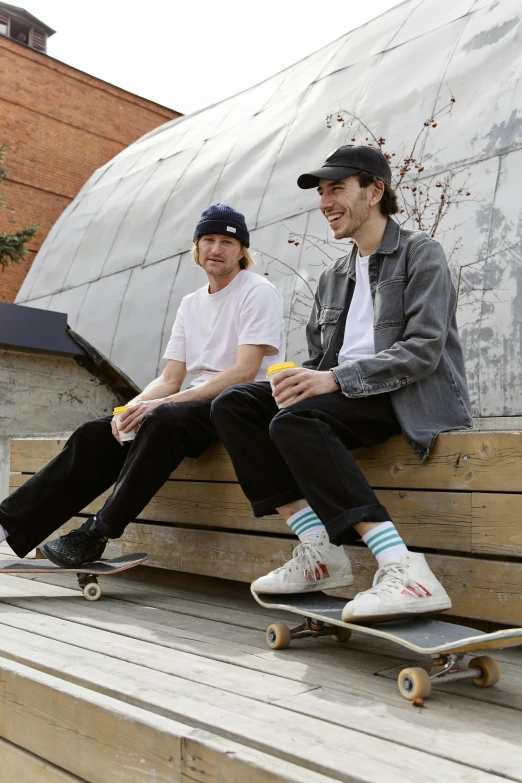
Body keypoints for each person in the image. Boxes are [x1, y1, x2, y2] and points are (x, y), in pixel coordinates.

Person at [211, 146, 472, 622]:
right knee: (235, 404)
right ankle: (318, 550)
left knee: (295, 422)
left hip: (403, 395)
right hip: (341, 395)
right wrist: (302, 377)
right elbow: (322, 357)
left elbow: (423, 349)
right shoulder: (335, 275)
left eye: (336, 189)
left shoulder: (421, 252)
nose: (325, 202)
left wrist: (332, 379)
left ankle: (403, 567)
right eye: (321, 192)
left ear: (375, 191)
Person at [0, 204, 285, 567]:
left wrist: (160, 407)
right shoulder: (190, 303)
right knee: (97, 432)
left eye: (227, 242)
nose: (216, 249)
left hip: (241, 406)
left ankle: (97, 532)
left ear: (242, 250)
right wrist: (129, 410)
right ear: (196, 248)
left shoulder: (257, 292)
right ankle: (5, 527)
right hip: (191, 407)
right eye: (208, 240)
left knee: (163, 418)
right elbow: (169, 378)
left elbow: (244, 372)